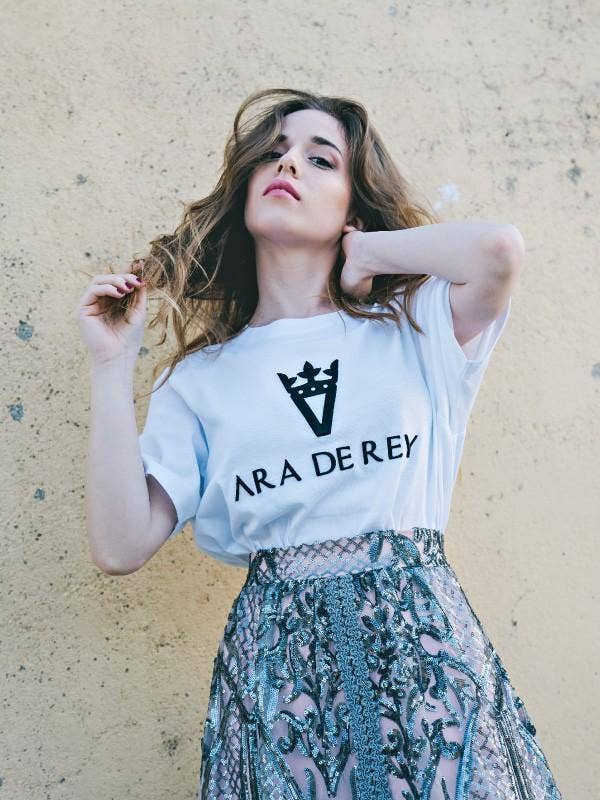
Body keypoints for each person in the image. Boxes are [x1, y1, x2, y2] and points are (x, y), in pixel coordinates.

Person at [76, 88, 563, 800]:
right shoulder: (202, 380)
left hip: (425, 661)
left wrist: (366, 251)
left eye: (320, 159)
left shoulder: (413, 325)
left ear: (352, 207)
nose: (288, 165)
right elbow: (120, 546)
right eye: (272, 153)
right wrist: (111, 365)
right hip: (282, 678)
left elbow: (497, 251)